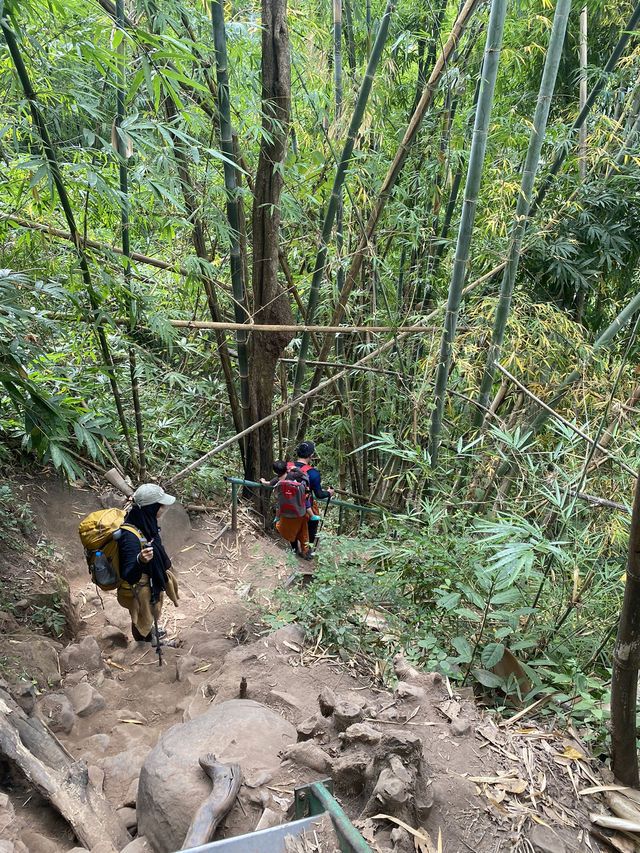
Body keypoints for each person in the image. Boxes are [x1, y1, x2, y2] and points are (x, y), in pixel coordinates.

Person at [117, 483, 179, 643]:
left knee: (148, 612)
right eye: (160, 505)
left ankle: (150, 632)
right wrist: (140, 560)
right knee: (141, 614)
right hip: (140, 585)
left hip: (151, 580)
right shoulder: (129, 536)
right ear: (151, 507)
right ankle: (144, 642)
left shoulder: (146, 522)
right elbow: (128, 573)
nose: (163, 508)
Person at [291, 441, 334, 549]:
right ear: (311, 455)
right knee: (313, 521)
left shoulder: (287, 467)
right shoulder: (313, 473)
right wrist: (329, 493)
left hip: (286, 505)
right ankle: (308, 549)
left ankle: (294, 549)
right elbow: (319, 494)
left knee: (292, 523)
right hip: (304, 507)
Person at [272, 467, 312, 560]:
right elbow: (305, 502)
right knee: (303, 533)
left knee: (290, 532)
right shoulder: (300, 481)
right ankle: (305, 552)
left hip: (287, 514)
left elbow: (278, 505)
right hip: (301, 513)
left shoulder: (280, 483)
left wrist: (277, 517)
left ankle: (296, 550)